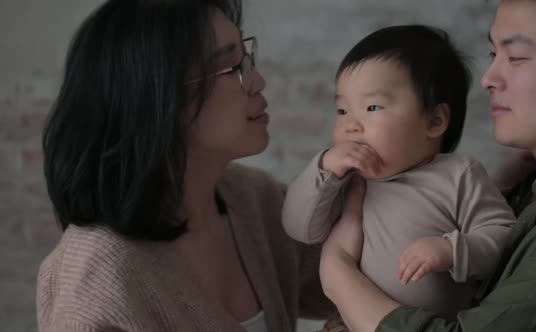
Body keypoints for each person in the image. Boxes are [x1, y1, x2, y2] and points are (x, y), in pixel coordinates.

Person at [36, 0, 334, 331]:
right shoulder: (97, 277)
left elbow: (372, 274)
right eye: (233, 67)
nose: (257, 80)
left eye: (247, 57)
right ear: (159, 98)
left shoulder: (253, 199)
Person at [320, 0, 536, 331]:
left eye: (516, 57)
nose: (488, 79)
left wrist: (338, 276)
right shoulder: (526, 191)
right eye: (493, 56)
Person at [282, 25, 516, 330]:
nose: (351, 125)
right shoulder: (345, 181)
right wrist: (325, 166)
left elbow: (504, 237)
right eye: (342, 111)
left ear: (434, 121)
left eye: (371, 107)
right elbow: (299, 227)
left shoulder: (459, 175)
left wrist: (451, 250)